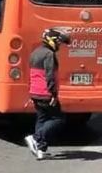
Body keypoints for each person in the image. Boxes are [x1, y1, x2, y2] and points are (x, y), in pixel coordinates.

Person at [25, 28, 70, 160]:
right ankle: (36, 138)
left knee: (42, 119)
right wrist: (53, 94)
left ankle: (40, 149)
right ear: (52, 41)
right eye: (59, 43)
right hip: (46, 93)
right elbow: (49, 75)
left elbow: (32, 74)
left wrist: (30, 92)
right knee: (58, 119)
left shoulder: (35, 53)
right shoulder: (49, 54)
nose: (59, 46)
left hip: (35, 92)